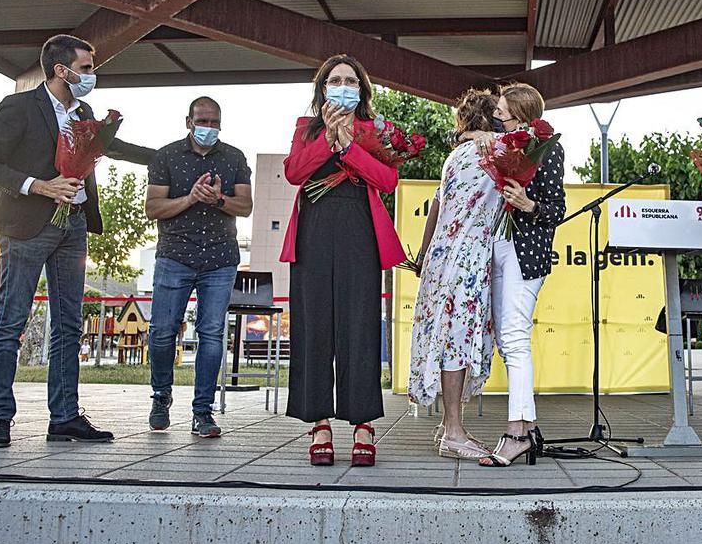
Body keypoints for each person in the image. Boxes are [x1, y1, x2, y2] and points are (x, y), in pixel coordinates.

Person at [0, 34, 155, 447]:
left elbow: (114, 147)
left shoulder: (85, 111)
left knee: (70, 325)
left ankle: (65, 416)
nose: (92, 75)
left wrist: (168, 155)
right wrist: (39, 186)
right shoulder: (18, 107)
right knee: (10, 323)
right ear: (61, 69)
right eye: (87, 68)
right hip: (26, 227)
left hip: (73, 227)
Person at [280, 54, 404, 467]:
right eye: (335, 80)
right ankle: (319, 425)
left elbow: (387, 179)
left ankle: (364, 425)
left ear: (362, 90)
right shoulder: (306, 128)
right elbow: (295, 172)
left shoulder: (374, 130)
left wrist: (350, 145)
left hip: (359, 232)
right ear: (322, 88)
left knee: (359, 325)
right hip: (314, 232)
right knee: (314, 325)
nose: (343, 85)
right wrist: (328, 141)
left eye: (351, 80)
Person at [144, 97, 253, 438]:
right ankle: (161, 396)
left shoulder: (234, 157)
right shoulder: (166, 156)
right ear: (188, 121)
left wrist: (219, 200)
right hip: (175, 255)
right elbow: (153, 208)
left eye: (215, 122)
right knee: (162, 331)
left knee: (211, 335)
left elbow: (246, 206)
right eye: (203, 121)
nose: (209, 128)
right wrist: (191, 198)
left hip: (220, 259)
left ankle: (202, 413)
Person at [408, 89, 503, 460]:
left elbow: (437, 204)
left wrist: (423, 253)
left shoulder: (456, 155)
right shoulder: (492, 150)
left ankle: (451, 426)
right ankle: (453, 430)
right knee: (457, 340)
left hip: (442, 256)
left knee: (447, 336)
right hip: (466, 257)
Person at [475, 83, 566, 467]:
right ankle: (526, 428)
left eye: (502, 109)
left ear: (521, 113)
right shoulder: (500, 143)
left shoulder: (548, 149)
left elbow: (557, 209)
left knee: (514, 338)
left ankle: (516, 433)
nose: (496, 113)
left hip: (524, 252)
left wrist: (527, 204)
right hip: (497, 246)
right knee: (507, 339)